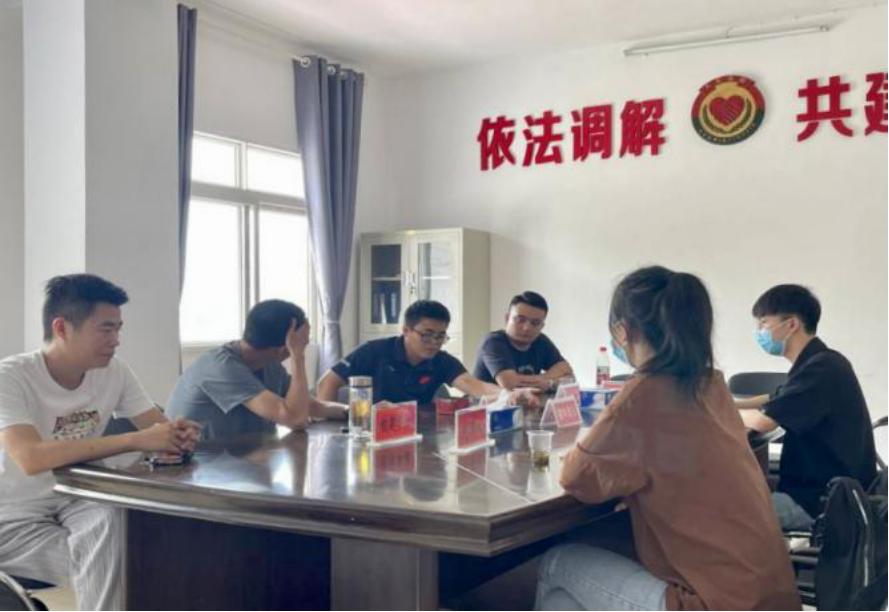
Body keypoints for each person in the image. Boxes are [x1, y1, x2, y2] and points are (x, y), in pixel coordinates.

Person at [537, 266, 801, 611]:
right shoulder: (711, 385)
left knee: (558, 562)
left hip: (716, 603)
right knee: (568, 594)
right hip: (771, 596)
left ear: (622, 330)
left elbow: (577, 479)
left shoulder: (643, 394)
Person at [0, 274, 200, 611]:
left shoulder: (114, 371)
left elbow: (158, 428)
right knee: (120, 564)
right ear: (61, 328)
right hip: (12, 514)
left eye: (118, 329)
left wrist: (178, 436)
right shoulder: (10, 377)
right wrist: (137, 440)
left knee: (123, 531)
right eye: (106, 329)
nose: (116, 340)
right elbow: (31, 457)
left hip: (77, 498)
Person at [738, 284, 878, 531]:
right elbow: (776, 397)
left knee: (720, 512)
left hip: (821, 503)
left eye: (764, 323)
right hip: (829, 491)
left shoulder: (821, 368)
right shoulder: (821, 361)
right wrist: (732, 402)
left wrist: (717, 409)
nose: (759, 331)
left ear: (791, 325)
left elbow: (763, 421)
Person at [167, 300, 346, 441]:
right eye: (302, 343)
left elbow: (310, 406)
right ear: (285, 348)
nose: (303, 346)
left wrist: (352, 411)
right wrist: (298, 357)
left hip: (242, 462)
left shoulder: (269, 364)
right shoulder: (222, 367)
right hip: (197, 466)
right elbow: (295, 419)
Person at [317, 300, 537, 406]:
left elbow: (474, 386)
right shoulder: (373, 351)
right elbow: (327, 383)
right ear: (406, 331)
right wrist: (334, 424)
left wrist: (509, 394)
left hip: (414, 434)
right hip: (371, 432)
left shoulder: (441, 361)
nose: (434, 343)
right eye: (427, 335)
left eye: (440, 336)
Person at [473, 291, 574, 391]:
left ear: (542, 326)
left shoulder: (541, 341)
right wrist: (547, 379)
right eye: (520, 320)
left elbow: (570, 378)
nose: (526, 328)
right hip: (489, 401)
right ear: (507, 319)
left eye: (535, 323)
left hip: (529, 401)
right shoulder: (493, 342)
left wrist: (547, 383)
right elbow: (510, 385)